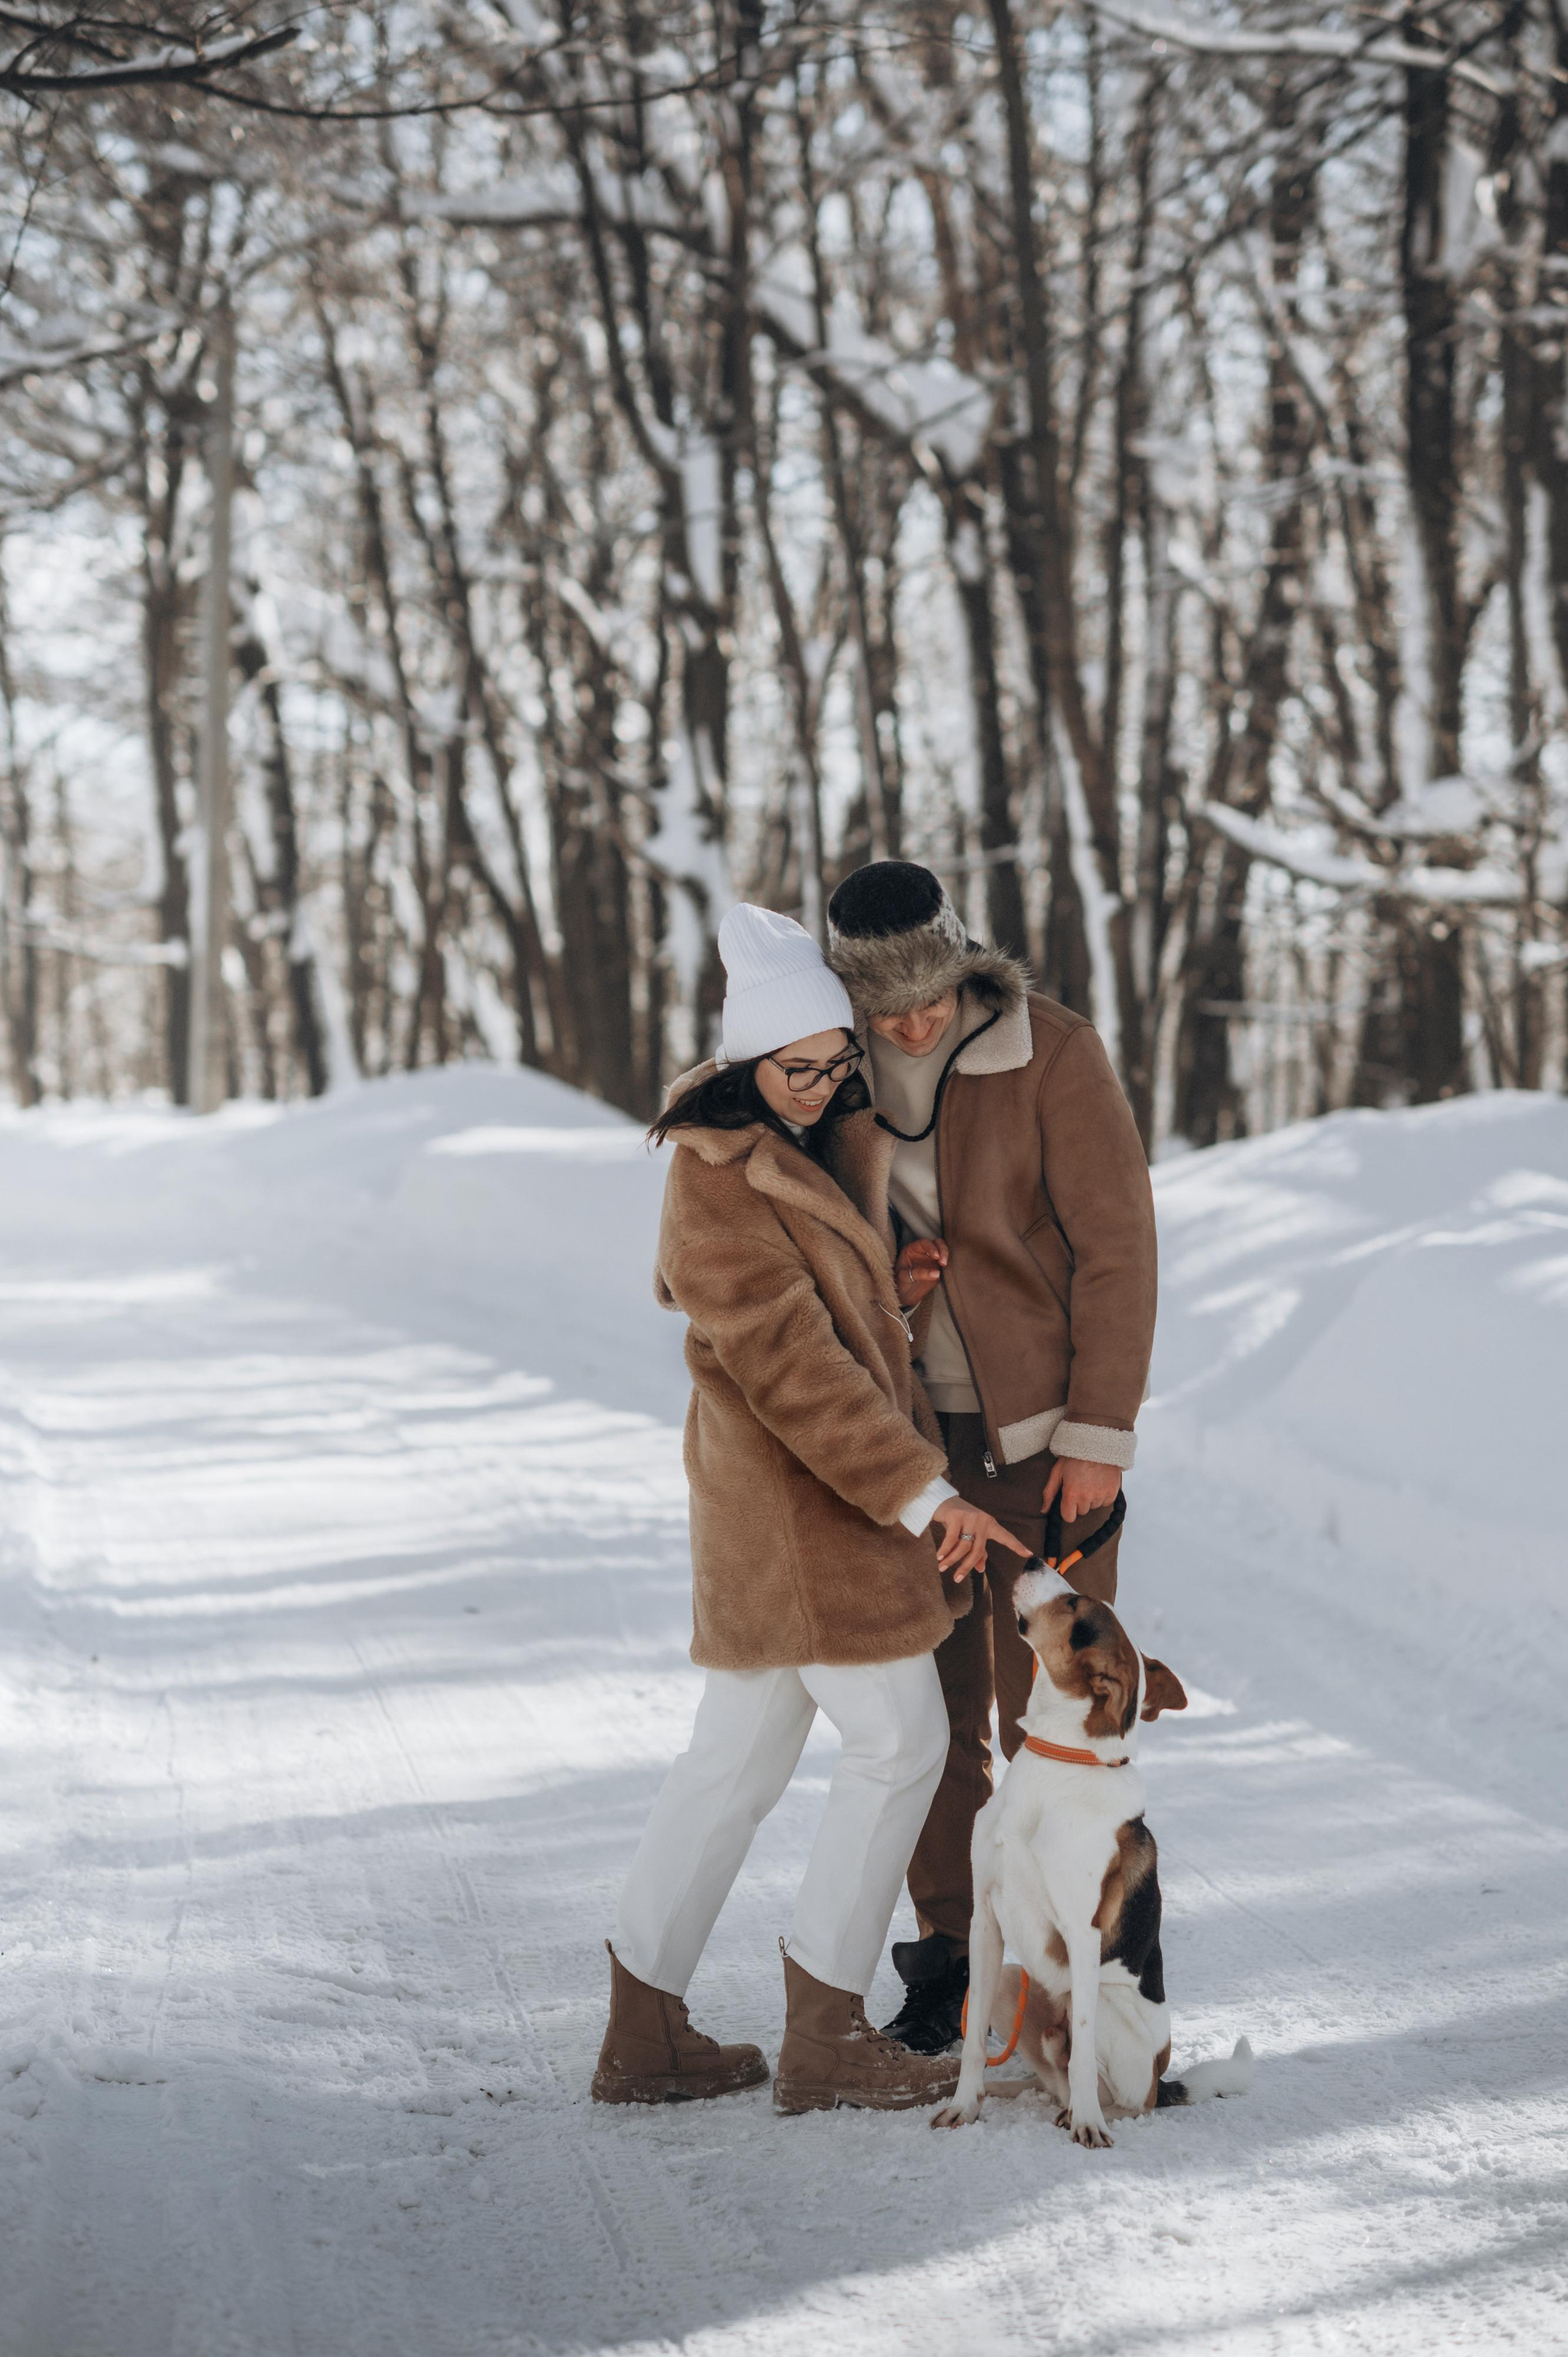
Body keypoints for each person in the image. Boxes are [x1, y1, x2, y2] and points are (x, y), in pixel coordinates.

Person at [593, 902, 1030, 2115]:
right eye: (798, 1067)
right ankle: (823, 2027)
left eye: (836, 1063)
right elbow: (793, 1375)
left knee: (728, 1764)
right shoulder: (716, 1178)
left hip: (786, 1515)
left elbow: (818, 1315)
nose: (823, 1084)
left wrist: (882, 1284)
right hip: (797, 1514)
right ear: (744, 1061)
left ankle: (644, 2030)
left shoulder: (798, 1144)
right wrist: (922, 1494)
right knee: (900, 1742)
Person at [823, 861, 1158, 2054]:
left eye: (927, 1001)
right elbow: (818, 1239)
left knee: (1059, 1721)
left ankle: (1087, 1984)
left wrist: (1097, 1436)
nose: (910, 1027)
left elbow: (1116, 1246)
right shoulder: (835, 1065)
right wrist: (889, 1280)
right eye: (886, 1010)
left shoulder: (1050, 1050)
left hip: (1041, 1440)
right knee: (931, 1712)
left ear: (959, 967)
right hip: (907, 1439)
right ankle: (953, 1963)